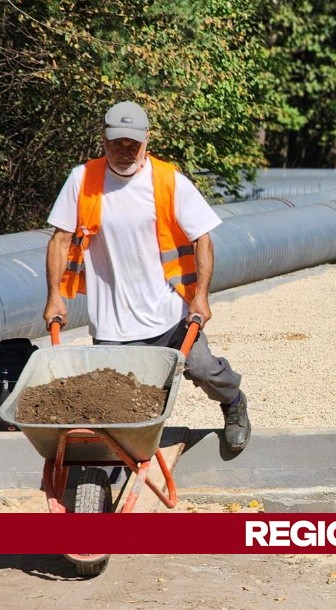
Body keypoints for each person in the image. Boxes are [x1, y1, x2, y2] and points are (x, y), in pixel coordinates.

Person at [43, 100, 251, 452]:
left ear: (146, 141)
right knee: (115, 400)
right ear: (103, 140)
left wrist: (200, 295)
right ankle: (124, 460)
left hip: (168, 311)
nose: (125, 152)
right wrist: (54, 296)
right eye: (117, 143)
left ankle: (234, 402)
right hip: (112, 323)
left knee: (202, 369)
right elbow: (60, 240)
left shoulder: (169, 181)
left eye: (132, 144)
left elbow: (203, 238)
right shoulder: (83, 180)